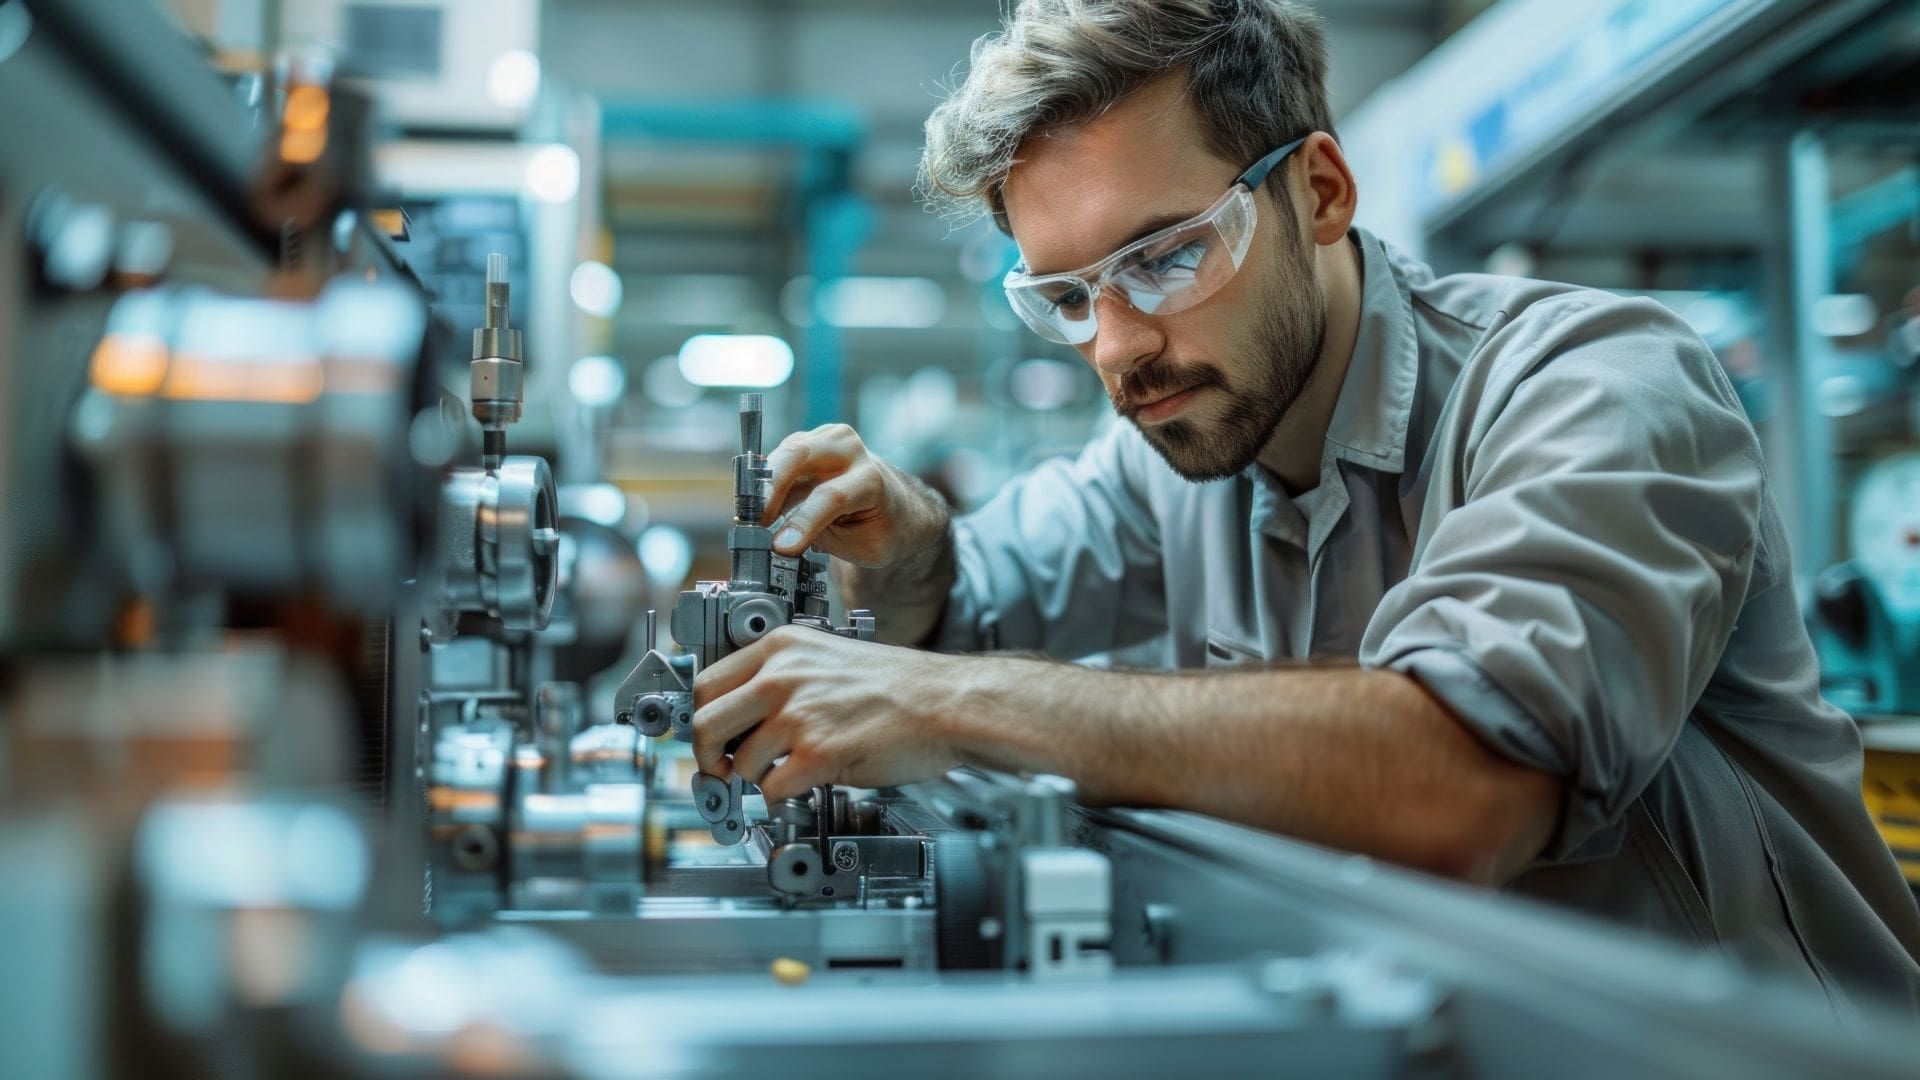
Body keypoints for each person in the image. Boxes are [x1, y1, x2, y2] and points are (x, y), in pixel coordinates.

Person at [689, 0, 1920, 1006]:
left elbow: (1462, 787)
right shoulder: (1181, 444)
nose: (1117, 348)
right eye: (1067, 297)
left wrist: (950, 699)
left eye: (1167, 256)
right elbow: (961, 603)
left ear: (1320, 192)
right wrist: (904, 544)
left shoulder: (1591, 384)